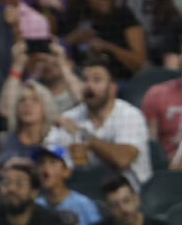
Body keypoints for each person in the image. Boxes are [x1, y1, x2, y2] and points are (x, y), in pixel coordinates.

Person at [58, 57, 151, 190]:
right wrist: (61, 151)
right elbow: (56, 156)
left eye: (97, 80)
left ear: (113, 87)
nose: (89, 86)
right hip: (84, 191)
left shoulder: (130, 115)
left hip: (129, 193)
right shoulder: (70, 117)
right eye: (85, 80)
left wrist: (83, 136)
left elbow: (123, 160)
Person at [60, 0, 147, 79]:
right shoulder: (75, 22)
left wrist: (107, 47)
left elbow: (140, 64)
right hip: (82, 80)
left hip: (122, 80)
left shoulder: (123, 15)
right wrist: (70, 40)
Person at [33, 145, 101, 225]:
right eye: (42, 163)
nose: (45, 169)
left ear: (67, 172)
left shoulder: (84, 204)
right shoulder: (34, 206)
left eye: (52, 162)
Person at [0, 81, 66, 166]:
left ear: (46, 107)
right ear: (16, 108)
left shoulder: (56, 143)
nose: (27, 104)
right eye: (22, 100)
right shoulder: (0, 140)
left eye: (35, 100)